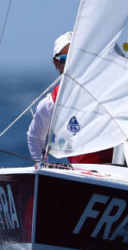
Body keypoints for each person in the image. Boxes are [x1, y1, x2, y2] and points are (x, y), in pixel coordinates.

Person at [26, 31, 114, 165]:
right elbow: (34, 137)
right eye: (66, 60)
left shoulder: (111, 90)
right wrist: (43, 165)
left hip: (120, 172)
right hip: (82, 175)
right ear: (56, 64)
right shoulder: (50, 104)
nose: (74, 65)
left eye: (79, 58)